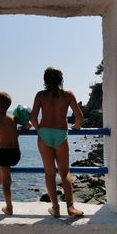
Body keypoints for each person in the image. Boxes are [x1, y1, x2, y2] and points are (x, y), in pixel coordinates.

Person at [30, 67, 84, 218]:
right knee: (65, 172)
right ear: (61, 80)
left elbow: (33, 117)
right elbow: (79, 116)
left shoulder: (40, 95)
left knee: (49, 173)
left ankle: (55, 208)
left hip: (45, 134)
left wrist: (39, 130)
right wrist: (76, 127)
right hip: (61, 134)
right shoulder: (67, 95)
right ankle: (71, 207)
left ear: (45, 80)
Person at [0, 92, 21, 215]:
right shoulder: (14, 119)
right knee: (6, 170)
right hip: (16, 154)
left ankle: (9, 207)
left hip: (3, 153)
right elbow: (27, 125)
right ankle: (1, 175)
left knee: (7, 183)